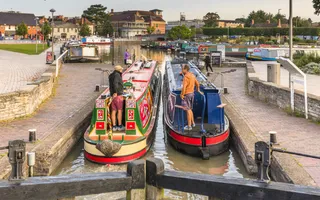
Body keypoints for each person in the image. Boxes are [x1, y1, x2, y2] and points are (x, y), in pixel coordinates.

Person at [180, 64, 200, 131]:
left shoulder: (186, 77)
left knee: (188, 110)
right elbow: (197, 84)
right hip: (192, 94)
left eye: (182, 69)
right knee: (190, 109)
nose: (181, 70)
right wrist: (197, 89)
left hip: (187, 95)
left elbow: (184, 87)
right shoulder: (192, 75)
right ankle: (193, 123)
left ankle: (189, 126)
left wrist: (182, 94)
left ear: (185, 69)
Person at [109, 65, 125, 131]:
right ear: (119, 70)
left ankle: (114, 126)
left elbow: (111, 84)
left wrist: (113, 93)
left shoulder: (111, 75)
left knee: (113, 110)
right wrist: (116, 92)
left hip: (113, 96)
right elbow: (115, 83)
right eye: (121, 69)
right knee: (120, 110)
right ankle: (120, 125)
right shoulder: (117, 75)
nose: (122, 70)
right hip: (118, 95)